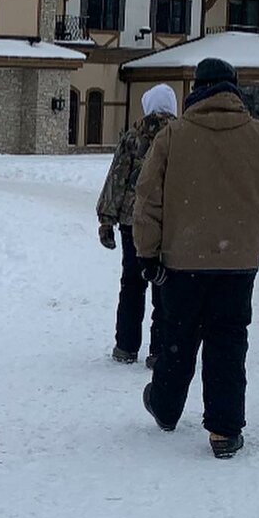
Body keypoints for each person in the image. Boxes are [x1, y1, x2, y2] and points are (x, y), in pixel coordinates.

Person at [133, 58, 259, 459]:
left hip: (182, 260)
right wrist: (250, 203)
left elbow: (147, 200)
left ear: (197, 90)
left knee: (178, 336)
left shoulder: (172, 137)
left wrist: (147, 253)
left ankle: (166, 407)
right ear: (233, 88)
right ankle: (224, 430)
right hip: (238, 262)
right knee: (228, 339)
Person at [96, 83, 178, 367]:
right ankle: (161, 349)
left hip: (134, 222)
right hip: (170, 222)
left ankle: (126, 345)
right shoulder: (182, 138)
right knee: (164, 287)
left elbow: (117, 179)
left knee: (132, 283)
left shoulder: (133, 137)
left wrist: (107, 219)